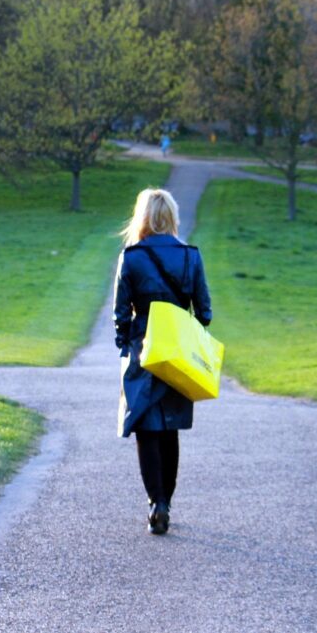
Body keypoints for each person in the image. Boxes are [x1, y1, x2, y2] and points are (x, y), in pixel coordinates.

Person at [113, 188, 212, 535]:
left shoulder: (132, 257)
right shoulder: (190, 256)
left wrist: (126, 347)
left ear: (142, 217)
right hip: (178, 351)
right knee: (169, 428)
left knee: (145, 426)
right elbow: (206, 313)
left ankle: (156, 501)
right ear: (171, 217)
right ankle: (166, 501)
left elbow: (120, 316)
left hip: (143, 349)